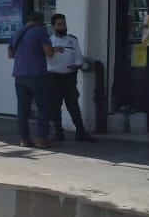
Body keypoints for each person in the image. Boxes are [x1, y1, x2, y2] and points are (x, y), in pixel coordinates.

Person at [8, 11, 55, 148]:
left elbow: (10, 54)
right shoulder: (40, 32)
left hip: (19, 76)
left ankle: (24, 140)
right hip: (37, 75)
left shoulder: (17, 32)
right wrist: (55, 49)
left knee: (23, 109)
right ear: (40, 21)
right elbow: (49, 52)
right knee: (43, 107)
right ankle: (41, 139)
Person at [47, 14, 96, 142]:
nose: (63, 26)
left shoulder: (72, 40)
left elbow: (79, 56)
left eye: (64, 23)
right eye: (59, 24)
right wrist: (54, 50)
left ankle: (81, 133)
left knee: (73, 106)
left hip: (69, 78)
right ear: (53, 26)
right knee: (55, 107)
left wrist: (77, 64)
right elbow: (45, 57)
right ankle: (59, 132)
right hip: (54, 78)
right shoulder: (48, 41)